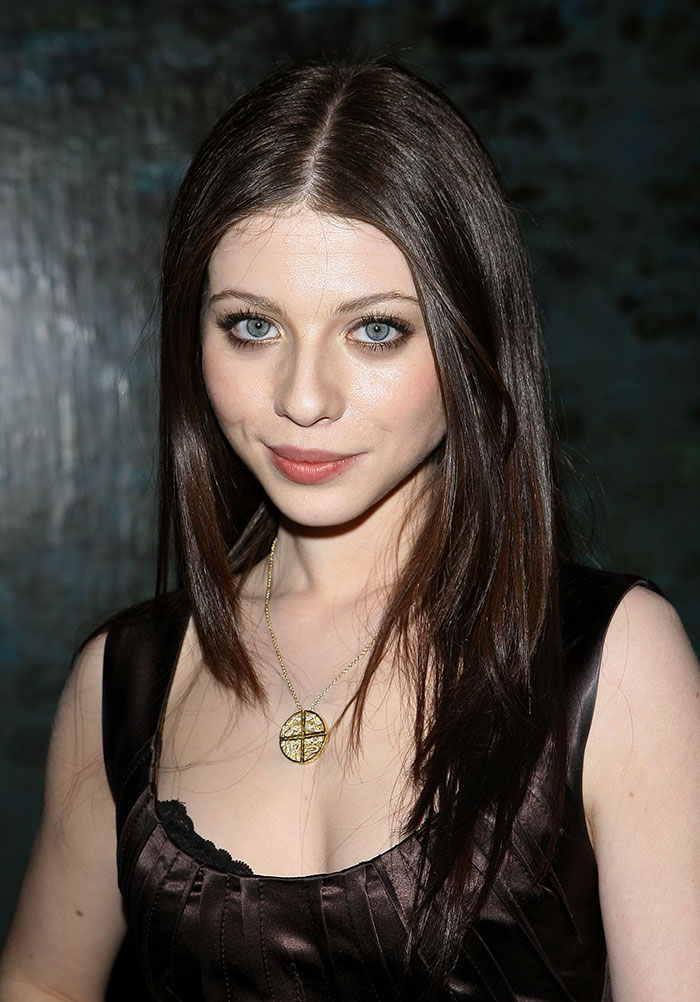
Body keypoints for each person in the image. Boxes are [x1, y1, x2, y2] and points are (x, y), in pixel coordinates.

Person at [1, 59, 698, 1002]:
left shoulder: (611, 665)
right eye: (251, 326)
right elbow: (40, 982)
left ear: (473, 339)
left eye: (375, 331)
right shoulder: (121, 681)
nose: (302, 398)